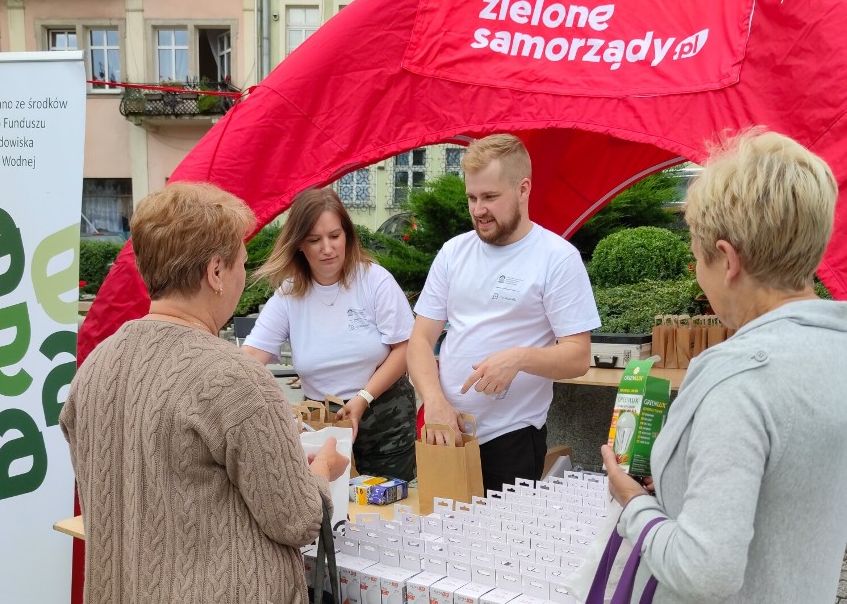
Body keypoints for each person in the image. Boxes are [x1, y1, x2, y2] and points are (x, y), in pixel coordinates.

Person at [60, 183, 348, 604]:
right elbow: (299, 519)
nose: (241, 277)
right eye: (241, 264)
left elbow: (154, 472)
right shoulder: (237, 380)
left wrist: (277, 463)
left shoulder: (96, 366)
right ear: (216, 272)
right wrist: (321, 470)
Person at [601, 131, 847, 603]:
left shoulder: (738, 379)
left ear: (728, 259)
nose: (699, 274)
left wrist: (634, 504)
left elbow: (704, 572)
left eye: (698, 258)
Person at [407, 133, 601, 492]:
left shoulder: (556, 257)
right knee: (438, 542)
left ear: (523, 189)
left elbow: (578, 355)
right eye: (472, 197)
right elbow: (419, 339)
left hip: (511, 437)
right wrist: (433, 401)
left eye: (490, 197)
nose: (478, 209)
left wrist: (519, 359)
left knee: (499, 547)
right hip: (446, 428)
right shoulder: (453, 252)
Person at [242, 188, 417, 481]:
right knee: (331, 510)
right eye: (314, 240)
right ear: (299, 245)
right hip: (323, 421)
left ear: (347, 235)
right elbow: (249, 359)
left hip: (384, 414)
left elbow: (405, 348)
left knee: (387, 506)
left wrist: (362, 399)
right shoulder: (287, 295)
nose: (327, 248)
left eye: (334, 236)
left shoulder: (374, 280)